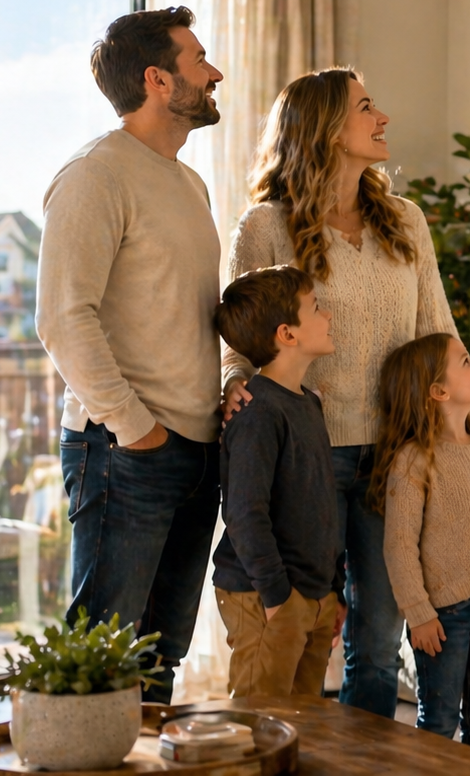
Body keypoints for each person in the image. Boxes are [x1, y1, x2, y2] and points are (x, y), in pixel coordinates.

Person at [220, 67, 470, 717]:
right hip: (306, 459)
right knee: (299, 631)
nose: (382, 119)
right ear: (324, 126)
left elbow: (438, 328)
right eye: (366, 107)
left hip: (394, 458)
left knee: (378, 640)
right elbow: (241, 338)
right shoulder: (266, 227)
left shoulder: (404, 220)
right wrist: (234, 388)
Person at [37, 6, 224, 703]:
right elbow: (61, 315)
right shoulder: (95, 174)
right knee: (102, 658)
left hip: (196, 449)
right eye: (199, 60)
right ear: (157, 78)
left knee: (157, 660)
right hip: (126, 452)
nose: (214, 73)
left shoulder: (187, 183)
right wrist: (134, 426)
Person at [374, 333, 470, 754]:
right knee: (439, 724)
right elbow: (399, 546)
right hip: (445, 618)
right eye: (466, 361)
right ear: (438, 391)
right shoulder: (414, 460)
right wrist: (419, 613)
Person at [210, 266, 347, 696]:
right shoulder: (257, 413)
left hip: (313, 595)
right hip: (264, 596)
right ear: (287, 334)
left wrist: (332, 589)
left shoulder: (308, 403)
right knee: (259, 726)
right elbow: (245, 515)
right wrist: (276, 598)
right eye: (316, 308)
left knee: (306, 728)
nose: (327, 316)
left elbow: (321, 504)